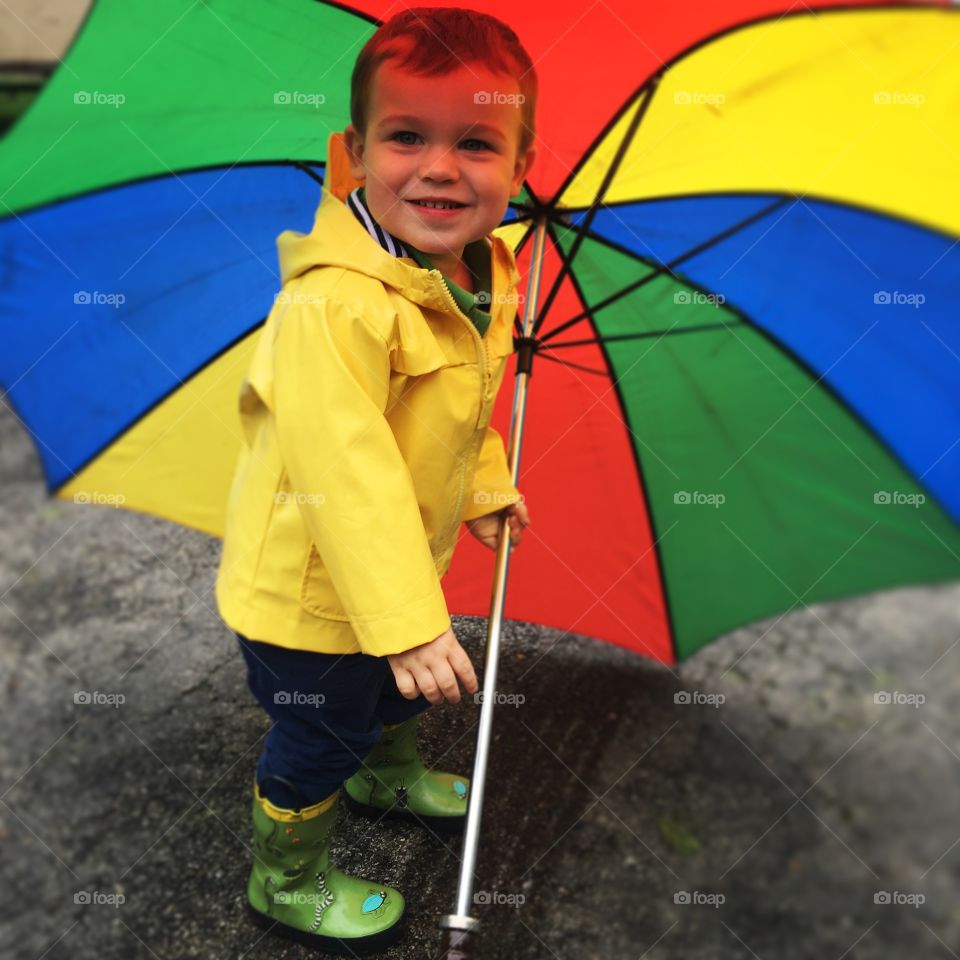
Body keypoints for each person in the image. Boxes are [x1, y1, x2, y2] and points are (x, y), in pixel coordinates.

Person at [214, 6, 537, 953]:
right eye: (407, 136)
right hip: (309, 593)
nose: (440, 167)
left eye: (476, 142)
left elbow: (466, 403)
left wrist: (484, 485)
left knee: (395, 692)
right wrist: (407, 622)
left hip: (393, 566)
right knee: (321, 729)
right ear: (355, 153)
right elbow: (344, 471)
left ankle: (384, 772)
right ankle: (287, 879)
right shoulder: (335, 306)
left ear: (522, 165)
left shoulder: (481, 271)